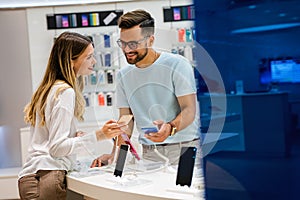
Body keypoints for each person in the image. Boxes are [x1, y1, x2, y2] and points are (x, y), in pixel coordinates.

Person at [18, 31, 125, 200]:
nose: (94, 61)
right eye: (89, 57)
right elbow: (57, 148)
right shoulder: (65, 92)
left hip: (33, 176)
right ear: (71, 61)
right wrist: (99, 135)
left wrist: (73, 137)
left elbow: (48, 139)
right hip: (48, 178)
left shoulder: (49, 89)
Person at [91, 9, 201, 167]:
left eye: (133, 44)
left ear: (150, 40)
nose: (127, 50)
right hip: (150, 152)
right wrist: (115, 158)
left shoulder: (177, 64)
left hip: (184, 148)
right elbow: (125, 123)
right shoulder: (124, 75)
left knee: (183, 191)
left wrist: (169, 128)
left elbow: (189, 110)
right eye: (123, 43)